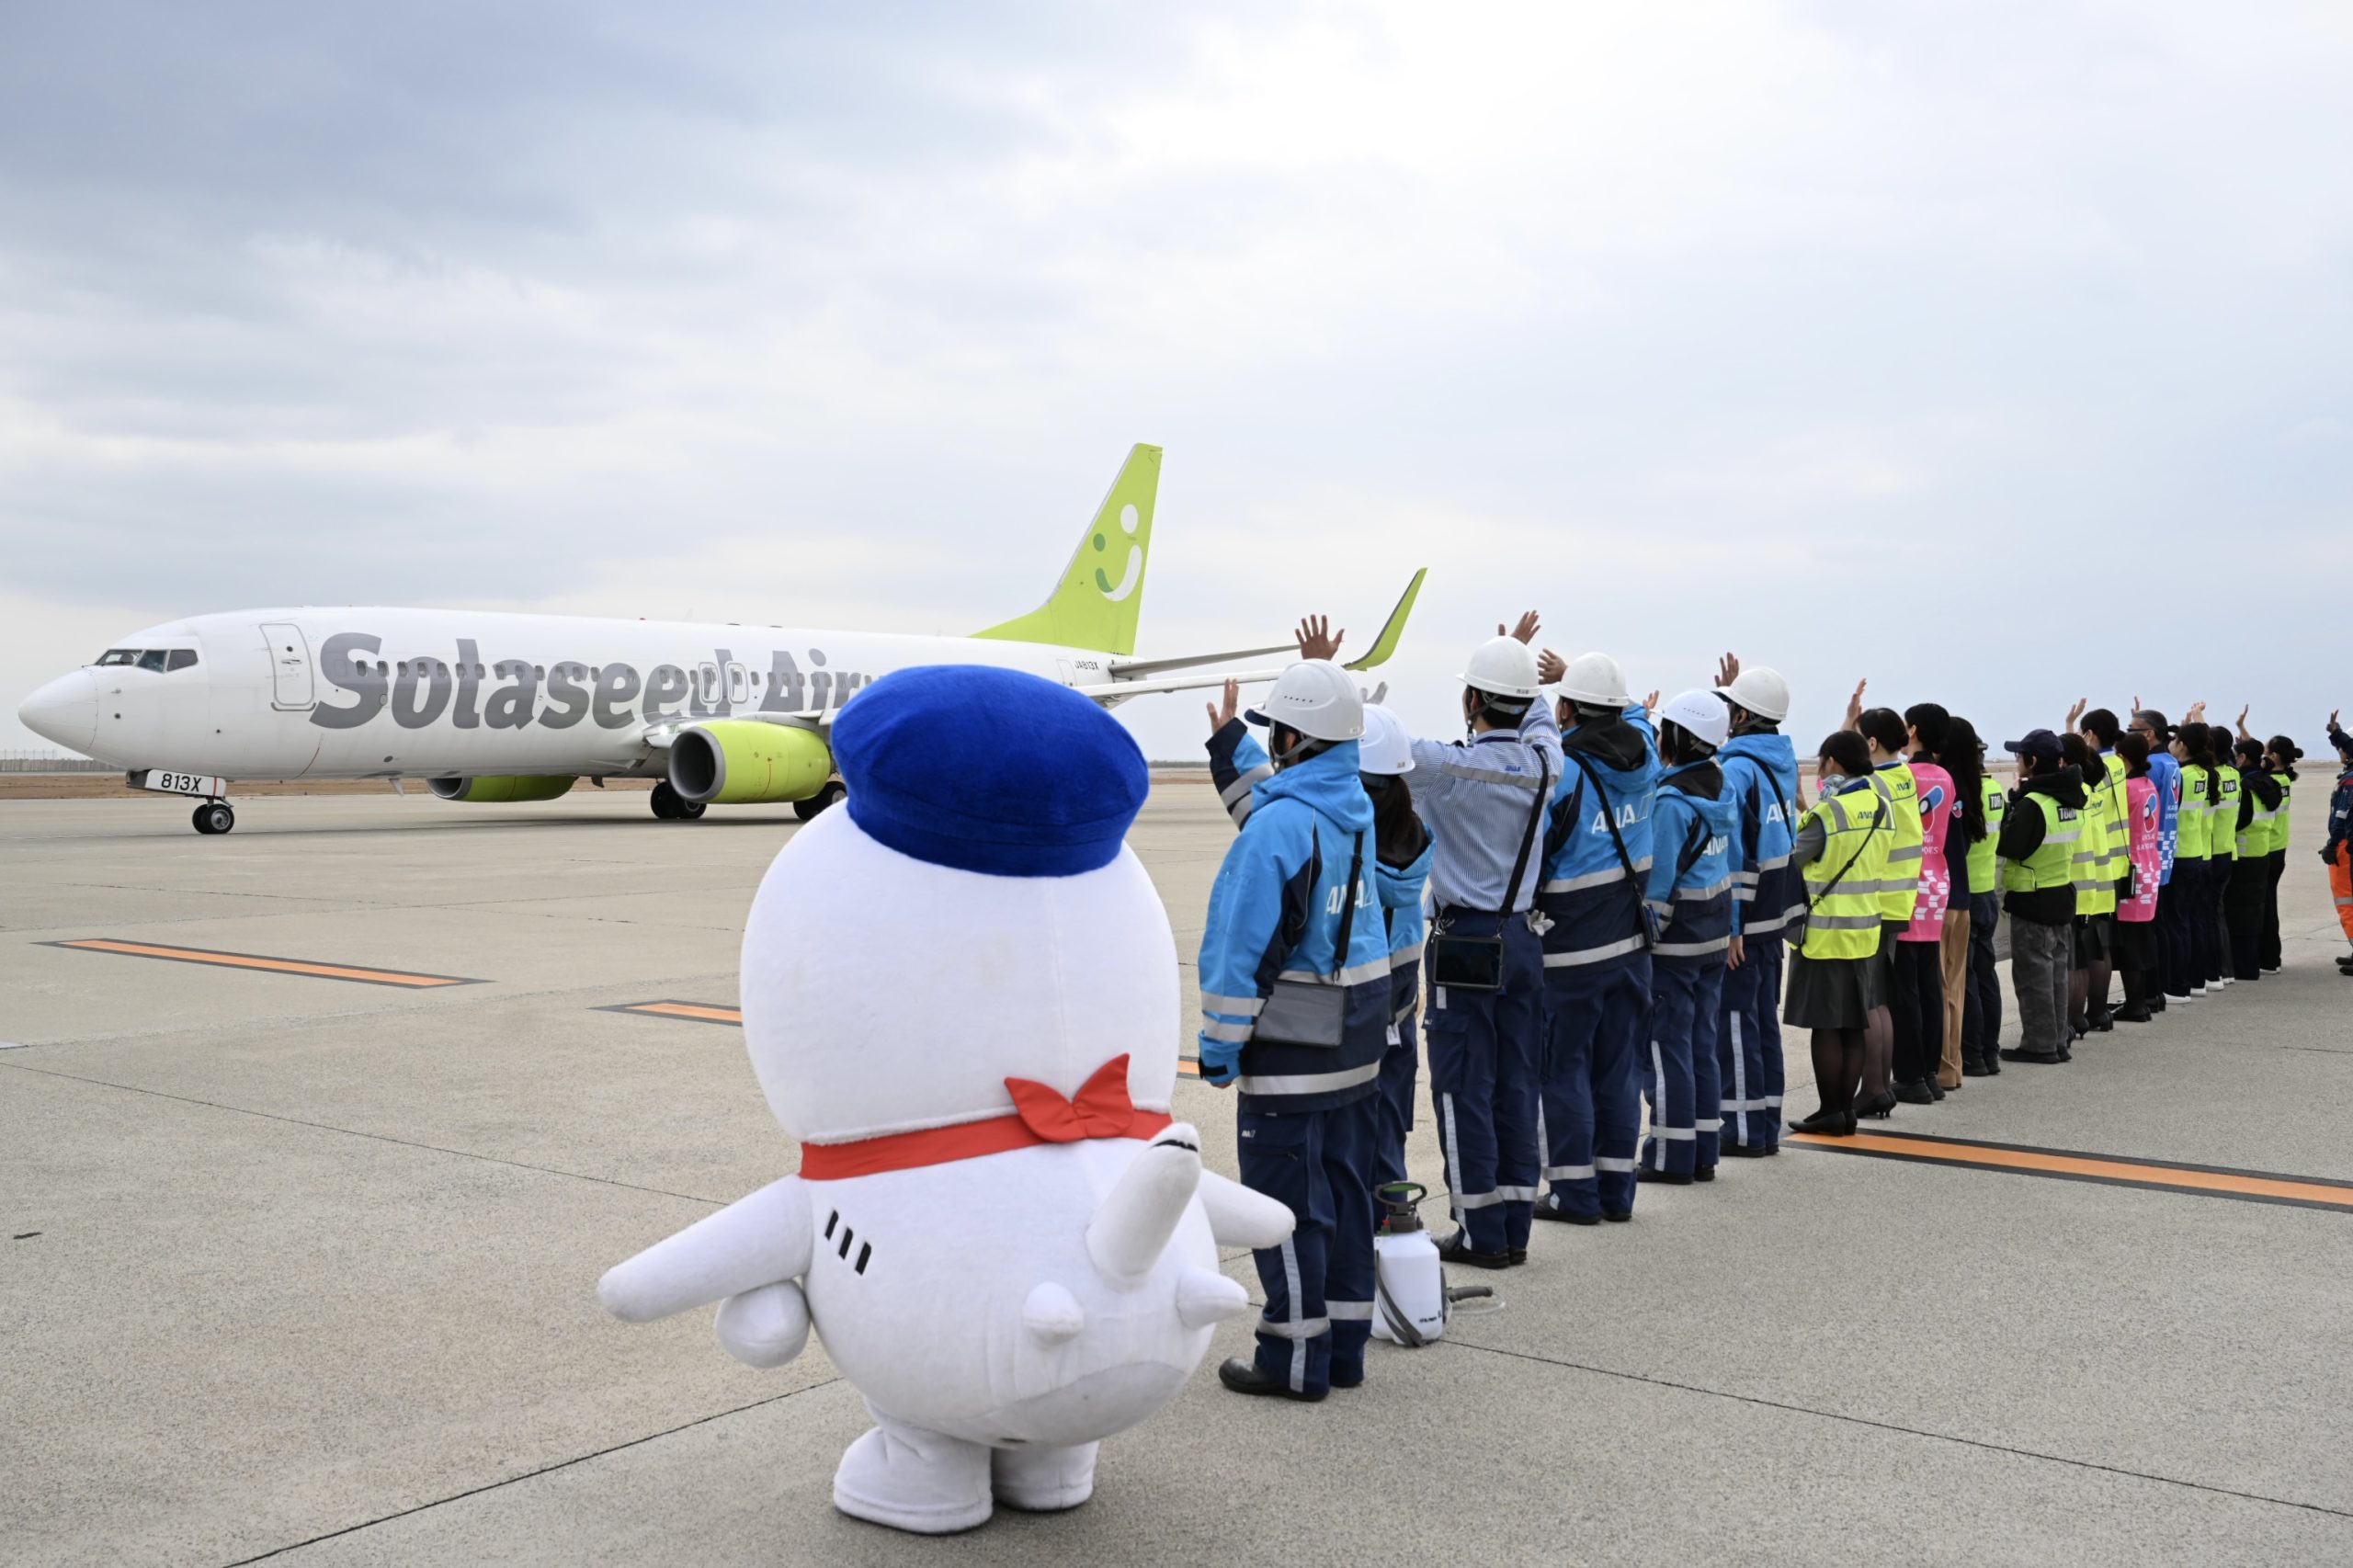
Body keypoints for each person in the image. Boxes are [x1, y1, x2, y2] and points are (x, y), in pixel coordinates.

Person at [1194, 659, 1391, 1402]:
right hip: (1356, 1044)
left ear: (1297, 737)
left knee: (1287, 1208)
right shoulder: (1352, 808)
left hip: (1293, 1054)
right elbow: (1279, 810)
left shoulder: (1284, 824)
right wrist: (1229, 747)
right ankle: (1342, 1348)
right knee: (1340, 1194)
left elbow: (1237, 952)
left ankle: (1294, 1360)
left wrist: (1219, 1049)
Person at [1403, 618, 1562, 1267]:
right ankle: (1516, 1225)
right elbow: (1542, 721)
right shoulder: (1548, 762)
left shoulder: (1447, 767)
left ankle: (1479, 1229)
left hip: (1466, 940)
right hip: (1524, 937)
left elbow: (1371, 744)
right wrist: (1524, 669)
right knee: (1517, 1082)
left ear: (1471, 701)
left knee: (1463, 1085)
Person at [1529, 652, 1659, 1225]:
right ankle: (1616, 1191)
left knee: (1564, 1071)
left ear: (1567, 709)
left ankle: (1573, 1195)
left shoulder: (1567, 772)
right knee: (1618, 1071)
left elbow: (1538, 853)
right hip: (1632, 947)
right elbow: (1639, 718)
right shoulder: (1648, 757)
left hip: (1571, 949)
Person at [1638, 692, 1739, 1184]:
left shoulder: (1670, 803)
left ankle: (1669, 1156)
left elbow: (1657, 883)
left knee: (1665, 1045)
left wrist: (1643, 936)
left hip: (1675, 943)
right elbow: (1733, 864)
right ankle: (1703, 1151)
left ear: (1678, 735)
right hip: (1715, 933)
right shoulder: (1723, 788)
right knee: (1702, 1042)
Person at [1712, 657, 1802, 1157]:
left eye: (1732, 709)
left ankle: (1743, 1130)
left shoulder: (1738, 768)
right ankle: (1765, 1121)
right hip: (1775, 913)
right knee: (1763, 1022)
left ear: (1743, 717)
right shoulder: (1780, 761)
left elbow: (1732, 852)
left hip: (1744, 920)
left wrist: (1730, 927)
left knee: (1736, 1024)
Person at [1783, 730, 1893, 1135]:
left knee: (1826, 1026)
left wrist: (1800, 808)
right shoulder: (1882, 807)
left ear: (1832, 763)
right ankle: (1844, 1110)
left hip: (1826, 933)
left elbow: (1793, 855)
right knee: (1852, 1024)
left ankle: (1831, 1109)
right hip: (1865, 930)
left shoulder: (1829, 813)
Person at [1845, 692, 1922, 1115]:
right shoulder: (1905, 776)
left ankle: (1873, 1087)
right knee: (1882, 999)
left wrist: (1846, 722)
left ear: (1871, 744)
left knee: (1869, 1000)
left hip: (1874, 900)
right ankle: (1883, 1085)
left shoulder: (1873, 783)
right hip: (1899, 899)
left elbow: (1833, 780)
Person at [1997, 729, 2086, 1065]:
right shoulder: (2071, 798)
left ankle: (2039, 1044)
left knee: (2034, 976)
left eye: (2019, 756)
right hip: (2060, 890)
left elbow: (2010, 845)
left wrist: (2013, 807)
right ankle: (2058, 1039)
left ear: (2031, 762)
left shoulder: (2035, 804)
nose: (2016, 762)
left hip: (2032, 896)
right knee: (2057, 974)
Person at [1894, 704, 1956, 1100]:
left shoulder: (1904, 777)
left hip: (1908, 888)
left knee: (1905, 990)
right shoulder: (1945, 777)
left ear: (1912, 730)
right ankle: (1930, 1071)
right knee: (1929, 984)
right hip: (1937, 883)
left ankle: (1910, 1074)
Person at [1949, 719, 2006, 1076]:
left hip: (1965, 892)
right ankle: (1988, 1051)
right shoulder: (1996, 788)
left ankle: (1970, 1052)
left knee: (1964, 977)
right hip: (1987, 889)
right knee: (1986, 975)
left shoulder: (1964, 791)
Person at [2069, 706, 2131, 1032]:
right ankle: (2099, 1011)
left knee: (2087, 946)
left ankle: (2087, 1014)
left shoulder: (2098, 767)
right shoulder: (2118, 763)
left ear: (2090, 735)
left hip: (2092, 863)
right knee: (2102, 943)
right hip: (2113, 861)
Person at [1935, 716, 1988, 1081]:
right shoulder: (1969, 787)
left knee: (1938, 986)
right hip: (1964, 897)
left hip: (1939, 897)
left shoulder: (1942, 784)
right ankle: (1952, 1065)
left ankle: (1941, 1065)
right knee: (1955, 987)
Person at [2058, 733, 2120, 1038]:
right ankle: (2095, 1013)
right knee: (2096, 950)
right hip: (2100, 877)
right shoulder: (2093, 790)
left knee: (2075, 958)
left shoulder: (2072, 793)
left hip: (2078, 882)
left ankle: (2073, 1018)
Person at [2131, 708, 2188, 1007]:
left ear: (2149, 734)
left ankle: (2157, 987)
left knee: (2154, 927)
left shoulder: (2152, 765)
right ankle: (2168, 983)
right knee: (2165, 923)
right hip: (2166, 848)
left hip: (2151, 849)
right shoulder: (2172, 762)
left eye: (2132, 730)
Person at [2111, 733, 2163, 1022]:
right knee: (2143, 937)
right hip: (2149, 866)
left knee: (2130, 942)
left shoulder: (2127, 789)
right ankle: (2147, 997)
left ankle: (2135, 1004)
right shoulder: (2147, 785)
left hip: (2131, 869)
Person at [2169, 721, 2222, 999]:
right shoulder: (2205, 773)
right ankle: (2198, 980)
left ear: (2183, 745)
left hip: (2182, 854)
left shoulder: (2184, 775)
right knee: (2195, 919)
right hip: (2200, 852)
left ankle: (2179, 985)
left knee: (2178, 922)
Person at [2226, 736, 2285, 983]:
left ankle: (2245, 967)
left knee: (2240, 915)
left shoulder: (2246, 786)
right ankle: (2263, 960)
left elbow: (2238, 821)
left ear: (2241, 758)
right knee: (2258, 911)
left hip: (2243, 854)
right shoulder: (2268, 784)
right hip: (2263, 852)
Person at [2258, 732, 2301, 973]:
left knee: (2265, 906)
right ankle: (2270, 956)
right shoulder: (2283, 778)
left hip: (2269, 847)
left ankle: (2269, 958)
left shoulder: (2270, 783)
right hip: (2278, 847)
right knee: (2269, 902)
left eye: (2266, 753)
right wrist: (2241, 727)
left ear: (2273, 756)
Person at [2207, 726, 2243, 989]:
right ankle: (2225, 969)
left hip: (2210, 852)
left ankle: (2215, 971)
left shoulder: (2213, 777)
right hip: (2228, 849)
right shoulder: (2233, 774)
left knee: (2208, 914)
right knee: (2218, 913)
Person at [2324, 713, 2353, 974]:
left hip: (2346, 844)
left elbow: (2342, 816)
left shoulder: (2351, 781)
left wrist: (2333, 843)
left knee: (2347, 899)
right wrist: (2336, 733)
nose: (2340, 752)